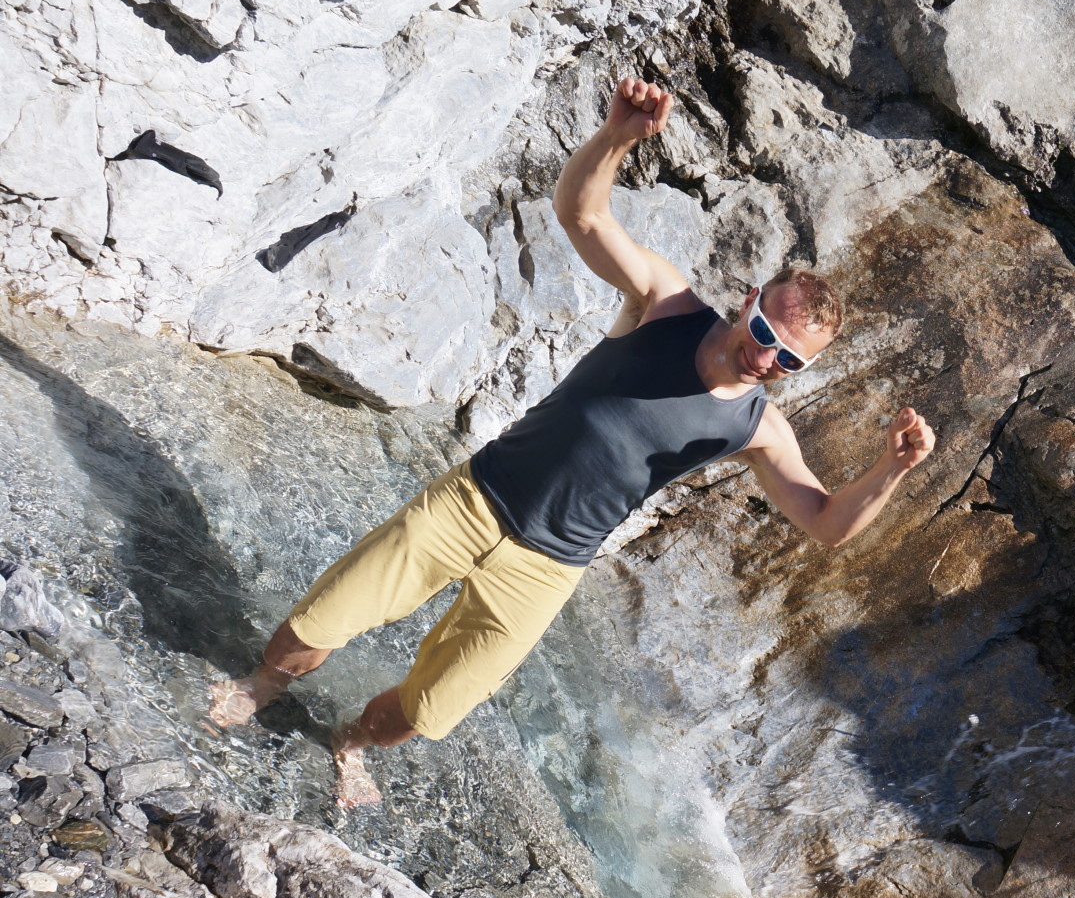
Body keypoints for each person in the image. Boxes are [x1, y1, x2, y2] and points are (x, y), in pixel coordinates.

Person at [209, 77, 937, 806]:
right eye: (766, 331)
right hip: (479, 499)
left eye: (789, 360)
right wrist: (617, 137)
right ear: (749, 300)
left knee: (431, 709)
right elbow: (582, 214)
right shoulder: (666, 304)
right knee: (324, 618)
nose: (766, 356)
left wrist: (891, 467)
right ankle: (261, 684)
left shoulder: (759, 427)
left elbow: (827, 523)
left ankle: (350, 742)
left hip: (548, 568)